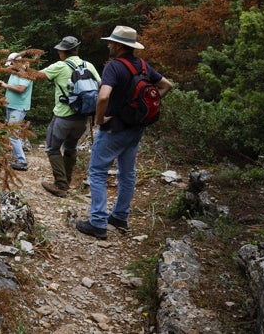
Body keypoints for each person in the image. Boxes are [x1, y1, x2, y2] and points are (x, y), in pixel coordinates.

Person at [76, 26, 173, 240]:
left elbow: (103, 97)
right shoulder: (144, 66)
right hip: (135, 129)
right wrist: (141, 110)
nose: (109, 45)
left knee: (98, 172)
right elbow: (166, 85)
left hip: (114, 129)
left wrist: (100, 120)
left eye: (111, 42)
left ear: (119, 45)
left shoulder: (114, 67)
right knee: (127, 173)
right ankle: (119, 217)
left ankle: (98, 222)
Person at [32, 36, 101, 198]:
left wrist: (22, 68)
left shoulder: (60, 66)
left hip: (63, 116)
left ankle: (61, 185)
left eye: (59, 51)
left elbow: (37, 76)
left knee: (52, 148)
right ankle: (67, 181)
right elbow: (99, 85)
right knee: (71, 148)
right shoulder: (88, 65)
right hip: (82, 117)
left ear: (64, 52)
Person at [0, 52, 33, 171]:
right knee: (10, 132)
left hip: (19, 108)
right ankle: (16, 157)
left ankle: (22, 162)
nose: (10, 66)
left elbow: (21, 89)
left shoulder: (25, 74)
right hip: (10, 106)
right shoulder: (15, 72)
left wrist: (5, 86)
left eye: (12, 63)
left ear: (17, 62)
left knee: (12, 134)